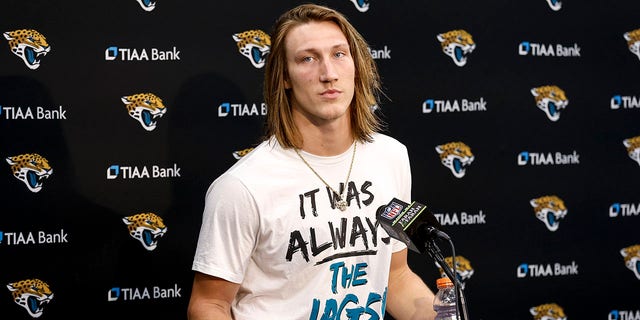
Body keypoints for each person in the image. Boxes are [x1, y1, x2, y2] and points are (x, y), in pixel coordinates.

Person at [187, 3, 437, 320]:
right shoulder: (242, 187)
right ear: (285, 77)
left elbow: (395, 277)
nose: (328, 74)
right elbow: (209, 305)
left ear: (356, 65)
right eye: (308, 58)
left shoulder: (390, 157)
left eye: (338, 54)